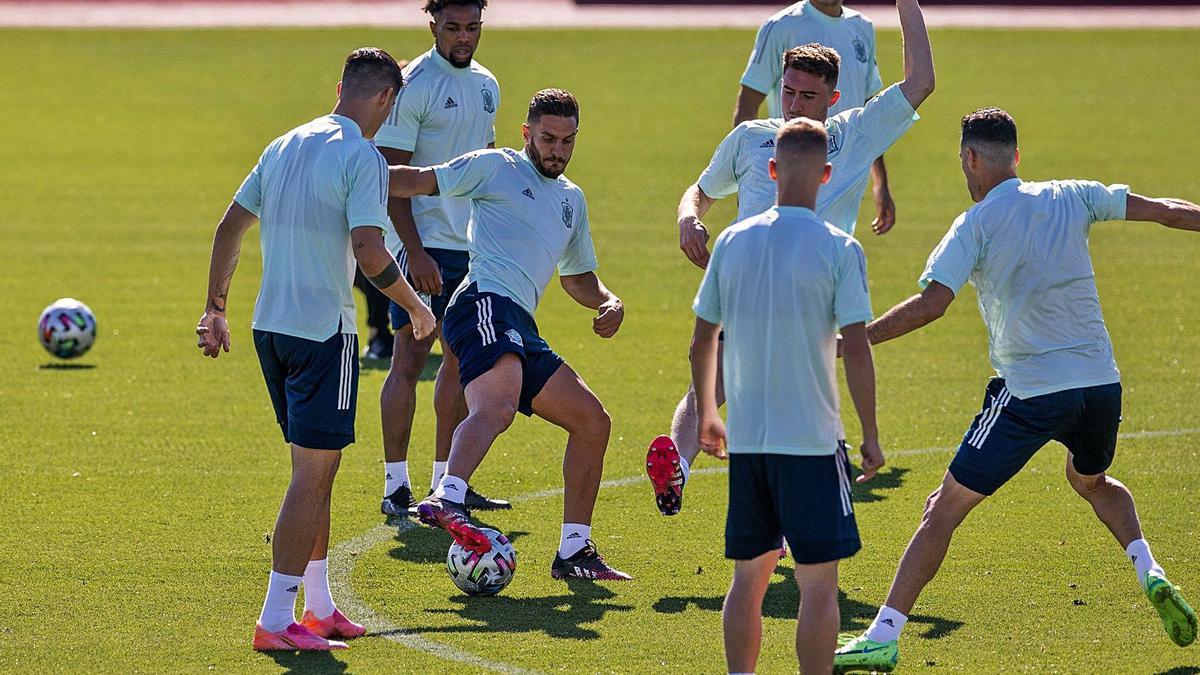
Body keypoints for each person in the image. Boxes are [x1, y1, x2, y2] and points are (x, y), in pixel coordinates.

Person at [834, 108, 1199, 673]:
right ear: (1018, 158)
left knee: (941, 510)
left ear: (970, 158)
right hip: (1101, 386)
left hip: (1029, 393)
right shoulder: (1071, 195)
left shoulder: (973, 225)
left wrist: (852, 341)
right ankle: (1147, 567)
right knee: (1093, 481)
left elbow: (932, 304)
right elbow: (1170, 212)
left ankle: (884, 633)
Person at [648, 0, 934, 518]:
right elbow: (701, 190)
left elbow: (921, 82)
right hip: (785, 285)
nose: (795, 104)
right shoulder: (750, 138)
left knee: (724, 389)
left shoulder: (855, 131)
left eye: (809, 95)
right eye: (788, 92)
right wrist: (689, 217)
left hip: (770, 281)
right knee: (776, 406)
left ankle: (690, 472)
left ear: (834, 97)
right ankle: (694, 476)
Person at [195, 47, 435, 651]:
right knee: (311, 475)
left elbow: (230, 227)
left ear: (340, 87)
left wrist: (215, 309)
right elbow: (371, 249)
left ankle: (321, 606)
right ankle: (276, 621)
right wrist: (412, 306)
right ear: (387, 99)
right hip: (324, 335)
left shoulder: (282, 144)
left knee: (318, 470)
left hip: (268, 328)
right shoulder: (363, 157)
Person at [387, 89, 632, 581]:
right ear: (527, 133)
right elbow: (418, 180)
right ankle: (447, 497)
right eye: (547, 138)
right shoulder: (496, 166)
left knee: (592, 421)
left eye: (567, 141)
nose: (556, 150)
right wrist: (349, 165)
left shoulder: (571, 200)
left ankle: (574, 552)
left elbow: (577, 277)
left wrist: (608, 299)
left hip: (520, 321)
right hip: (481, 302)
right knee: (495, 409)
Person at [692, 117, 884, 674]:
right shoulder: (839, 249)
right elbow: (859, 346)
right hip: (814, 444)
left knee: (747, 580)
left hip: (750, 441)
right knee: (819, 585)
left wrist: (708, 410)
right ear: (826, 176)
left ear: (771, 170)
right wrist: (870, 434)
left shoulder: (732, 241)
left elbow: (704, 337)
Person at [375, 0, 510, 519]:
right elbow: (390, 178)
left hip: (470, 249)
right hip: (422, 247)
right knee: (409, 361)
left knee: (460, 364)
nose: (463, 37)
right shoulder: (413, 84)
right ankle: (394, 486)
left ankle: (445, 485)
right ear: (432, 23)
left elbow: (487, 170)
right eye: (452, 28)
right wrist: (414, 250)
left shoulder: (487, 85)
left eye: (472, 28)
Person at [736, 0, 895, 236]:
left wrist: (881, 183)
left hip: (845, 174)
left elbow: (867, 111)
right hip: (794, 168)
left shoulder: (862, 27)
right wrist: (746, 182)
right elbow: (747, 105)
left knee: (832, 253)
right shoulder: (782, 26)